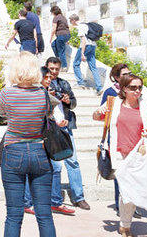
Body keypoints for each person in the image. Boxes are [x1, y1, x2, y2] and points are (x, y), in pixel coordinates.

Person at [93, 74, 147, 237]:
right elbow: (96, 118)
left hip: (139, 156)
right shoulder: (114, 104)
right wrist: (98, 110)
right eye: (133, 87)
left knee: (132, 192)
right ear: (123, 89)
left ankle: (125, 223)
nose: (137, 91)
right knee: (126, 191)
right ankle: (125, 226)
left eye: (140, 87)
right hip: (118, 155)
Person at [0, 51, 57, 237]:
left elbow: (1, 113)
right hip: (39, 150)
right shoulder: (42, 94)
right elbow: (48, 113)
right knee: (45, 214)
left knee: (14, 215)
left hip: (14, 149)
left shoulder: (6, 93)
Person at [23, 66, 70, 216]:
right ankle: (27, 202)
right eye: (46, 77)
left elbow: (49, 116)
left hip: (47, 136)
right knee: (34, 170)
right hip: (36, 138)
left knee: (55, 168)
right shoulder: (35, 94)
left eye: (50, 77)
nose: (49, 79)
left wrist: (58, 122)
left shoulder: (45, 94)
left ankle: (55, 202)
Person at [45, 57, 89, 211]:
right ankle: (53, 199)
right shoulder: (42, 83)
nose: (54, 72)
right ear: (46, 68)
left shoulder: (64, 83)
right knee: (55, 165)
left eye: (57, 69)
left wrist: (68, 101)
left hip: (65, 126)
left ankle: (79, 197)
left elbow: (74, 102)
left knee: (73, 161)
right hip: (50, 128)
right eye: (51, 69)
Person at [100, 63, 131, 212]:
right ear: (117, 77)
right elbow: (102, 115)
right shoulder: (110, 92)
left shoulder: (133, 90)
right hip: (116, 137)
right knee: (120, 173)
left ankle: (131, 203)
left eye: (129, 73)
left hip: (132, 137)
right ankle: (121, 205)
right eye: (125, 74)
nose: (128, 77)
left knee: (131, 172)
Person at [69, 14, 103, 94]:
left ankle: (81, 82)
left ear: (73, 20)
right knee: (93, 67)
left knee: (75, 64)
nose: (70, 22)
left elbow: (83, 41)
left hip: (85, 46)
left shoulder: (80, 27)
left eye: (70, 20)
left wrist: (82, 54)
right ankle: (99, 87)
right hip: (93, 46)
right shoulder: (86, 25)